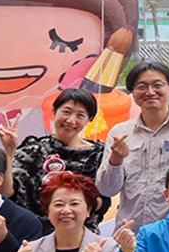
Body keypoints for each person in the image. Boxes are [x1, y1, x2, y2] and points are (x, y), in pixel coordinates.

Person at [97, 62, 169, 228]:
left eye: (157, 85)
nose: (150, 92)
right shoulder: (120, 132)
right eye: (141, 87)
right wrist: (115, 160)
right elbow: (107, 190)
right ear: (132, 93)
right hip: (131, 232)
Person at [9, 87, 106, 216]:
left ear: (89, 119)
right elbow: (9, 192)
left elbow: (104, 199)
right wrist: (9, 151)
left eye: (80, 115)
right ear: (54, 111)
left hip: (81, 226)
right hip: (36, 225)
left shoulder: (98, 154)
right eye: (66, 112)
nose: (71, 120)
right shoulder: (34, 149)